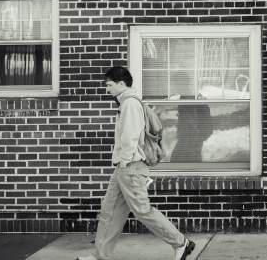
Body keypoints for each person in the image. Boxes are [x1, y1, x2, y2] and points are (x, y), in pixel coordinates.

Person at [76, 66, 195, 260]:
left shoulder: (130, 103)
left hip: (130, 166)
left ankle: (181, 243)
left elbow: (130, 137)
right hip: (124, 167)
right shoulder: (126, 102)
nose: (107, 89)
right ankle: (100, 255)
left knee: (142, 211)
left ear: (121, 84)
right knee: (110, 212)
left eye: (109, 85)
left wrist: (124, 163)